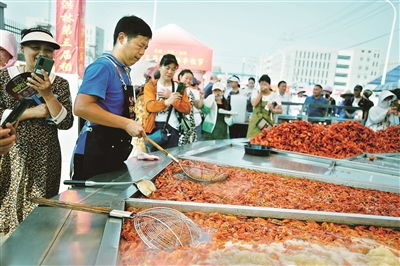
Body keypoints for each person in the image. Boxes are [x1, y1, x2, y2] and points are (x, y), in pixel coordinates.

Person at [0, 27, 73, 234]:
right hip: (11, 152)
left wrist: (48, 95)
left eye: (48, 50)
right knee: (9, 203)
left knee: (40, 212)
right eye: (35, 47)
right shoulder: (5, 78)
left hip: (45, 155)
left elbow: (66, 122)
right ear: (22, 49)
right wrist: (33, 112)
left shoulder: (59, 83)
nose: (42, 53)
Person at [72, 16, 152, 180]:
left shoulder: (124, 71)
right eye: (140, 45)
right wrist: (126, 123)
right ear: (122, 38)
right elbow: (81, 107)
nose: (142, 53)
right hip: (95, 152)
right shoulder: (103, 66)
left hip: (113, 149)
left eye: (146, 48)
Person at [143, 54, 190, 149]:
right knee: (153, 161)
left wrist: (172, 98)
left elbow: (187, 109)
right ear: (160, 67)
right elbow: (150, 106)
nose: (170, 72)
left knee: (170, 161)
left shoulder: (179, 87)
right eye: (167, 68)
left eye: (173, 69)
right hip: (153, 127)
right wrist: (167, 101)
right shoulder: (151, 85)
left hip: (173, 128)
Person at [177, 69, 197, 145]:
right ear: (180, 77)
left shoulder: (189, 90)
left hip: (190, 123)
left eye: (190, 79)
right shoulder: (177, 89)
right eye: (186, 78)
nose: (188, 80)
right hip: (182, 124)